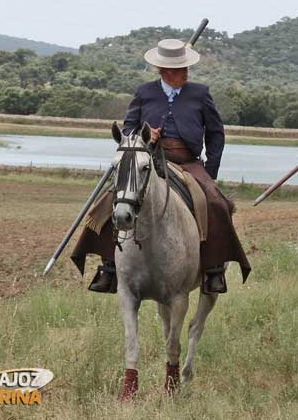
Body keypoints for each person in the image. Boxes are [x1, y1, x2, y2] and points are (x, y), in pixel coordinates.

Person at [71, 39, 251, 294]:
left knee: (216, 202)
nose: (186, 73)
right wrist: (146, 137)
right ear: (165, 72)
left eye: (187, 68)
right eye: (181, 69)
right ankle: (109, 267)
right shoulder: (145, 92)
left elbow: (215, 134)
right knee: (112, 198)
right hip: (150, 161)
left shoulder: (200, 93)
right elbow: (128, 130)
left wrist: (210, 172)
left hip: (188, 162)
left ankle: (213, 269)